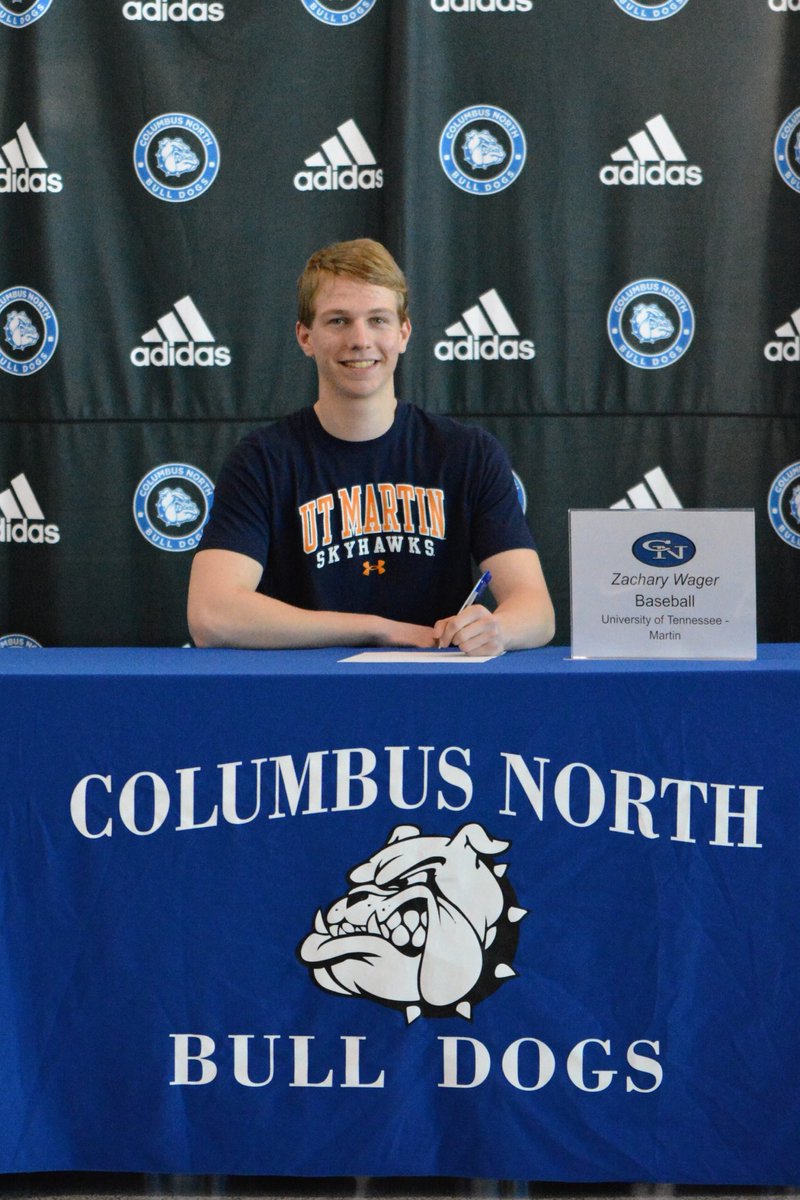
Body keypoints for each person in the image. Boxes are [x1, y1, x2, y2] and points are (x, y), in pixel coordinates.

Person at [187, 238, 555, 656]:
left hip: (435, 693)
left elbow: (537, 611)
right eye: (339, 321)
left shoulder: (467, 454)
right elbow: (211, 615)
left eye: (378, 320)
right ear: (305, 337)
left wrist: (498, 630)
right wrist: (379, 629)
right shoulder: (262, 460)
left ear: (404, 333)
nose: (360, 340)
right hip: (305, 695)